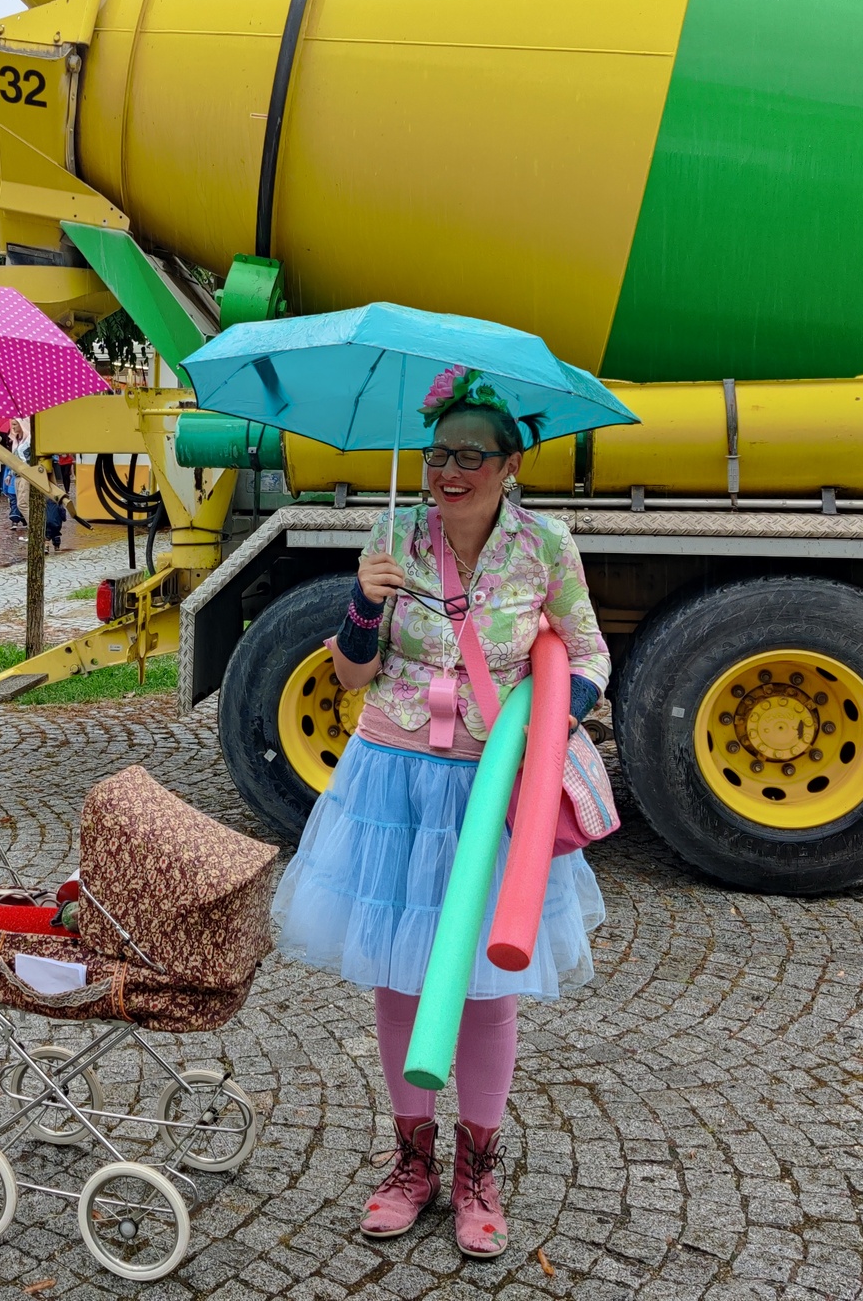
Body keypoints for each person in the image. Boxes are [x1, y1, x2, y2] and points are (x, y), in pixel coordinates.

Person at [271, 366, 610, 1260]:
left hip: (492, 788)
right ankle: (410, 1161)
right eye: (436, 455)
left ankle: (477, 1169)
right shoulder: (393, 539)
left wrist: (548, 730)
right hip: (394, 776)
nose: (447, 471)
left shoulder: (546, 547)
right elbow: (349, 673)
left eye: (469, 455)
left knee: (488, 982)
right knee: (402, 972)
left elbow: (588, 653)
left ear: (511, 463)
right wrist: (363, 601)